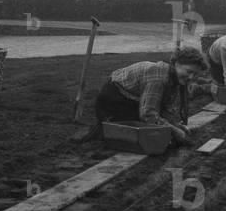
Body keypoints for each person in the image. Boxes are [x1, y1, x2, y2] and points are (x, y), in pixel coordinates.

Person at [81, 46, 209, 145]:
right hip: (112, 100)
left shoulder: (174, 77)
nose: (191, 77)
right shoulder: (159, 79)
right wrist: (175, 131)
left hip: (132, 99)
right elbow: (148, 114)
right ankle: (104, 127)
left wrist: (177, 125)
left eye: (195, 74)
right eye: (189, 71)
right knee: (143, 132)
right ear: (176, 64)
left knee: (160, 128)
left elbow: (163, 108)